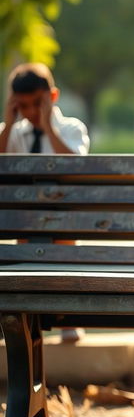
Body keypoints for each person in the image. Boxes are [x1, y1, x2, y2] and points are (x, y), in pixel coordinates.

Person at [0, 62, 90, 343]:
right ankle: (23, 322)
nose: (31, 113)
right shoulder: (13, 132)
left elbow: (75, 167)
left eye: (37, 104)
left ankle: (65, 315)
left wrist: (49, 126)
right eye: (23, 106)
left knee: (62, 237)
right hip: (25, 220)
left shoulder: (71, 128)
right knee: (24, 251)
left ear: (52, 97)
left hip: (64, 215)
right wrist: (8, 121)